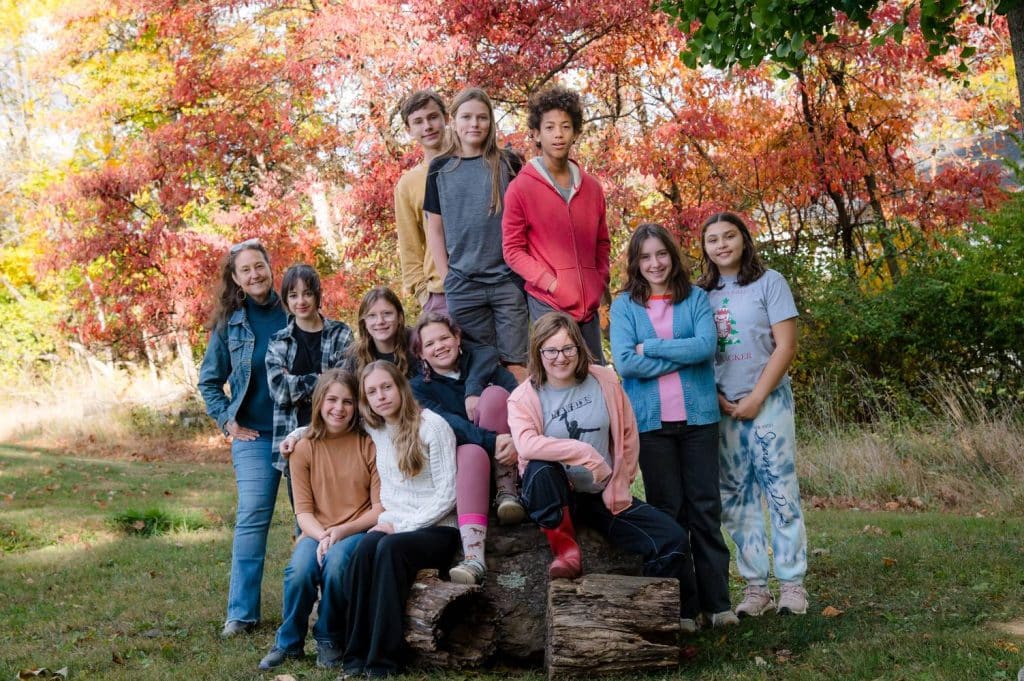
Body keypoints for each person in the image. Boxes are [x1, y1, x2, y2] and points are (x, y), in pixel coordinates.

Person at [507, 312, 694, 628]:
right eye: (550, 350)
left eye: (568, 348)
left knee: (671, 539)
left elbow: (628, 434)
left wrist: (620, 481)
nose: (560, 357)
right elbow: (526, 445)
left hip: (601, 492)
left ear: (579, 348)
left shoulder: (604, 380)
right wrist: (584, 453)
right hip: (556, 496)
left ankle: (650, 621)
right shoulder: (523, 397)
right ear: (538, 352)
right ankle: (566, 552)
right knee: (540, 467)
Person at [609, 223, 737, 631]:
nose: (655, 263)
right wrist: (682, 357)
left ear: (672, 256)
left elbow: (705, 347)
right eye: (645, 257)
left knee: (705, 510)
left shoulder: (695, 297)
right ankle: (683, 607)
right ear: (635, 262)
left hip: (699, 421)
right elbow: (626, 363)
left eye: (661, 254)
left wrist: (652, 348)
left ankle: (718, 604)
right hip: (651, 425)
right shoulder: (624, 306)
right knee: (670, 514)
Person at [698, 211, 809, 617]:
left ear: (744, 239)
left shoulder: (770, 282)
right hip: (723, 407)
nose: (722, 245)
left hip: (768, 402)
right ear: (705, 248)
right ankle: (756, 587)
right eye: (713, 239)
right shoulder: (699, 294)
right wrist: (716, 397)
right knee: (736, 498)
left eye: (729, 236)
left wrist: (757, 397)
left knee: (779, 490)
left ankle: (792, 584)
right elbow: (698, 352)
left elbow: (786, 346)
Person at [343, 361, 460, 679]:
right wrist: (298, 434)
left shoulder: (432, 426)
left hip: (438, 528)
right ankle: (355, 655)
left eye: (386, 387)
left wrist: (402, 527)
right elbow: (333, 423)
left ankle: (383, 661)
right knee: (365, 549)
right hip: (394, 525)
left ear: (400, 387)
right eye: (371, 392)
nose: (380, 396)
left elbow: (448, 495)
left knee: (389, 549)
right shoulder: (377, 428)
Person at [258, 369, 381, 671]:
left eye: (348, 402)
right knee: (299, 570)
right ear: (319, 402)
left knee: (336, 565)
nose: (339, 408)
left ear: (357, 406)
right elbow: (303, 511)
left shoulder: (369, 445)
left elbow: (379, 509)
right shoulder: (303, 448)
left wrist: (340, 532)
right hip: (315, 531)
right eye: (332, 400)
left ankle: (329, 636)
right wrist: (324, 535)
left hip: (356, 529)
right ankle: (288, 642)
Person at [197, 238, 287, 638]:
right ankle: (241, 614)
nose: (254, 274)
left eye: (259, 266)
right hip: (253, 438)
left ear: (270, 267)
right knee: (252, 517)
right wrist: (227, 421)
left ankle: (316, 607)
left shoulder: (295, 310)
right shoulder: (230, 324)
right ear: (235, 278)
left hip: (299, 434)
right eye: (245, 270)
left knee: (311, 521)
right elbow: (209, 382)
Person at [410, 312, 524, 585]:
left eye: (444, 338)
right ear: (421, 354)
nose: (439, 346)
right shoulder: (417, 389)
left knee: (495, 395)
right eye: (430, 344)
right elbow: (450, 426)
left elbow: (522, 401)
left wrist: (516, 440)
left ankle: (508, 493)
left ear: (457, 338)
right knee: (470, 450)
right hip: (466, 472)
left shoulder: (484, 368)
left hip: (508, 459)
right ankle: (474, 558)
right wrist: (493, 440)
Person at [423, 86, 528, 380]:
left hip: (507, 281)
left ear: (491, 121)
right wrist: (448, 278)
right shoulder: (440, 168)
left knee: (516, 364)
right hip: (464, 284)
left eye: (482, 117)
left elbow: (526, 220)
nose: (474, 124)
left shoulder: (508, 163)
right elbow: (435, 230)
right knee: (480, 367)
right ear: (453, 120)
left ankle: (524, 410)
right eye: (466, 117)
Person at [503, 85, 610, 363]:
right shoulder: (521, 188)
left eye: (565, 126)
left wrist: (599, 280)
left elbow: (602, 243)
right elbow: (513, 251)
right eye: (549, 127)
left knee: (595, 375)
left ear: (575, 132)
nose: (558, 134)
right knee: (558, 376)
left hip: (589, 308)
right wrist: (551, 284)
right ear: (537, 134)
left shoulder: (592, 188)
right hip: (548, 304)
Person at [266, 264, 354, 516]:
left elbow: (345, 384)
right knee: (305, 519)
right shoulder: (278, 341)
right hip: (296, 444)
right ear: (286, 300)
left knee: (342, 514)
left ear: (317, 295)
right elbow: (279, 391)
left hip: (337, 439)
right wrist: (323, 380)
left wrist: (296, 381)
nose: (301, 301)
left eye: (307, 293)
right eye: (293, 295)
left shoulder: (341, 333)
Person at [394, 89, 449, 314]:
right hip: (440, 294)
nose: (427, 126)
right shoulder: (408, 184)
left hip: (485, 284)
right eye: (418, 121)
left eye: (433, 117)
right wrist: (424, 295)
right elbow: (410, 247)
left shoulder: (473, 164)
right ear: (409, 130)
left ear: (446, 118)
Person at [343, 286, 418, 379]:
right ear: (364, 322)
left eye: (387, 313)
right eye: (372, 315)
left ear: (400, 317)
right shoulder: (356, 356)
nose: (380, 321)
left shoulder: (416, 346)